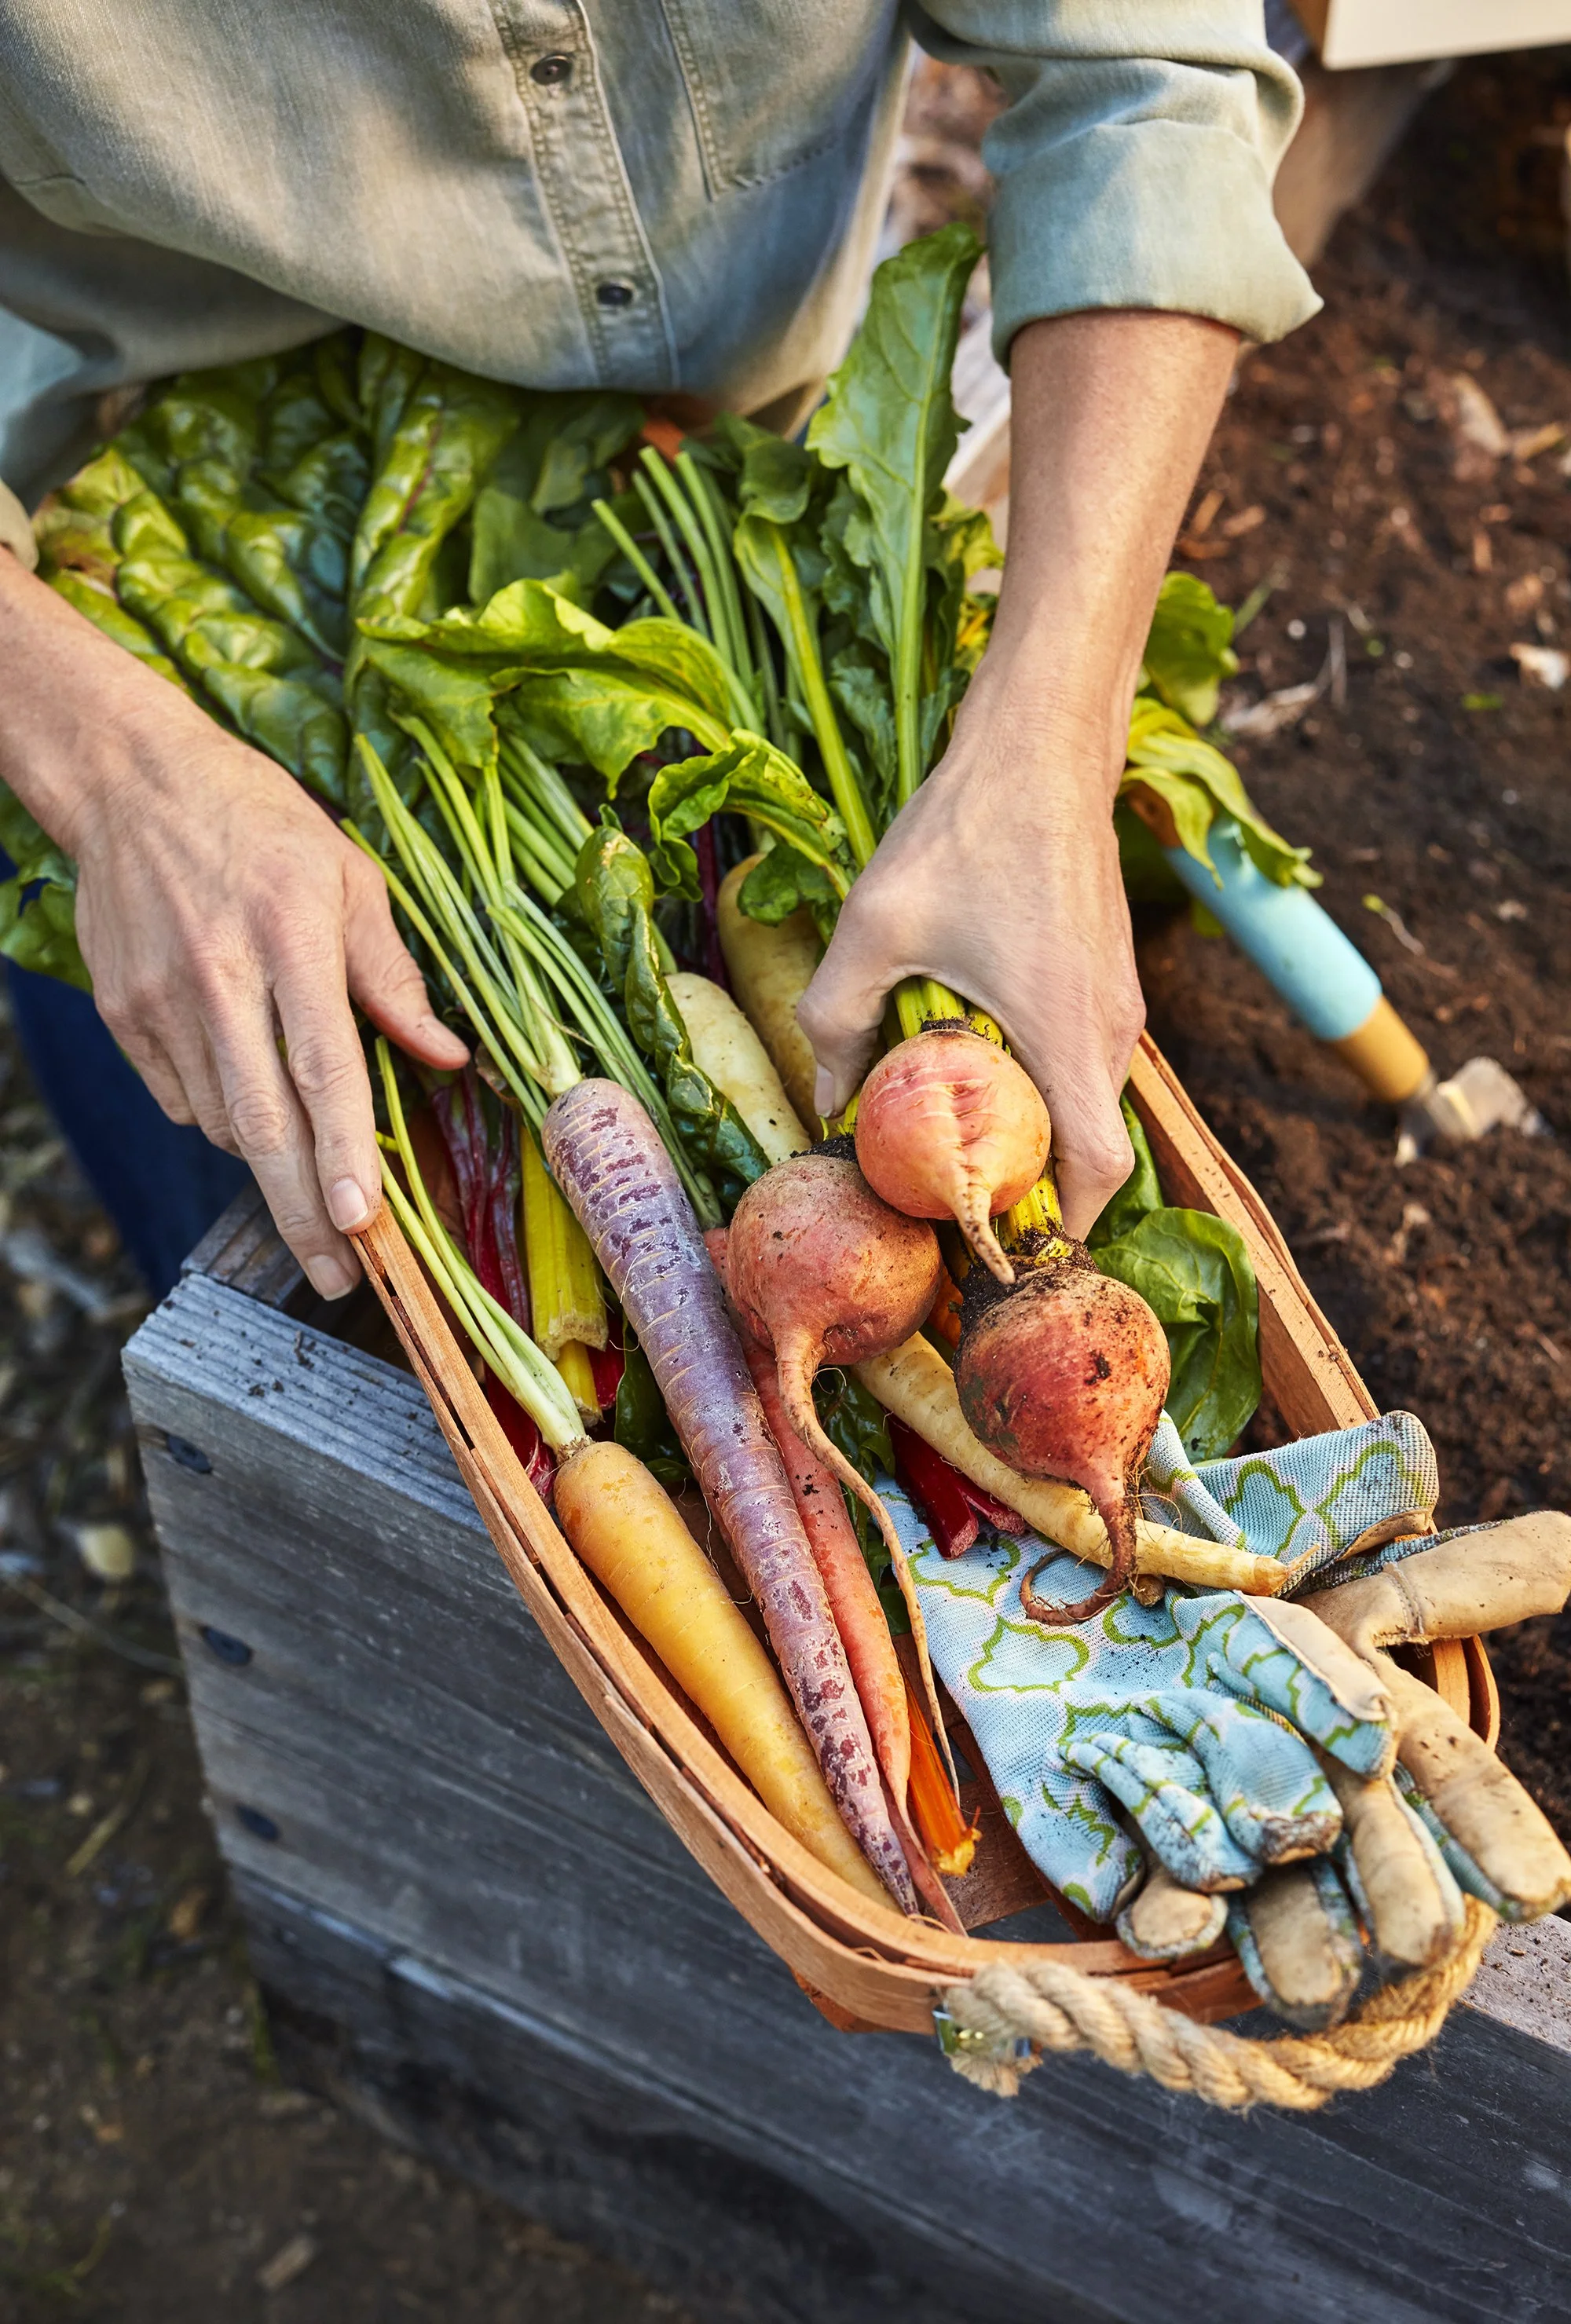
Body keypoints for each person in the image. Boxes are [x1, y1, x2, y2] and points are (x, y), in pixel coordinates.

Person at [0, 5, 1316, 1297]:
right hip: (108, 584)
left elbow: (1148, 82)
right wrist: (116, 782)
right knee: (279, 1211)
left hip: (699, 483)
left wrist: (1047, 748)